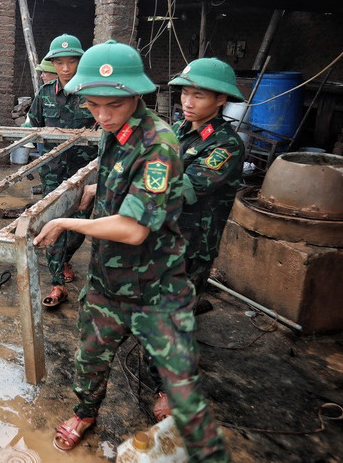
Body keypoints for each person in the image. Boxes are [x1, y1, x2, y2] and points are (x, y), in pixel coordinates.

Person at [34, 41, 229, 461]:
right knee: (90, 355)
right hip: (107, 275)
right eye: (92, 105)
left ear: (136, 96)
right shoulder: (115, 133)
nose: (102, 115)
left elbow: (135, 228)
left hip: (153, 281)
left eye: (113, 105)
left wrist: (66, 222)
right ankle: (84, 414)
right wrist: (91, 191)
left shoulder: (158, 143)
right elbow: (118, 187)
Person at [148, 57, 246, 421]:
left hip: (192, 245)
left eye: (199, 95)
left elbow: (184, 187)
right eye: (186, 93)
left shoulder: (226, 146)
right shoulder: (180, 130)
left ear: (221, 99)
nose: (188, 102)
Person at [24, 34, 97, 308]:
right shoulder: (44, 94)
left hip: (85, 173)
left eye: (71, 62)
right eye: (60, 62)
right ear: (52, 64)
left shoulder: (92, 93)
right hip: (54, 171)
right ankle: (56, 282)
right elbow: (33, 123)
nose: (66, 68)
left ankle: (66, 257)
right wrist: (16, 137)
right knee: (52, 225)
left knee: (78, 227)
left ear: (79, 62)